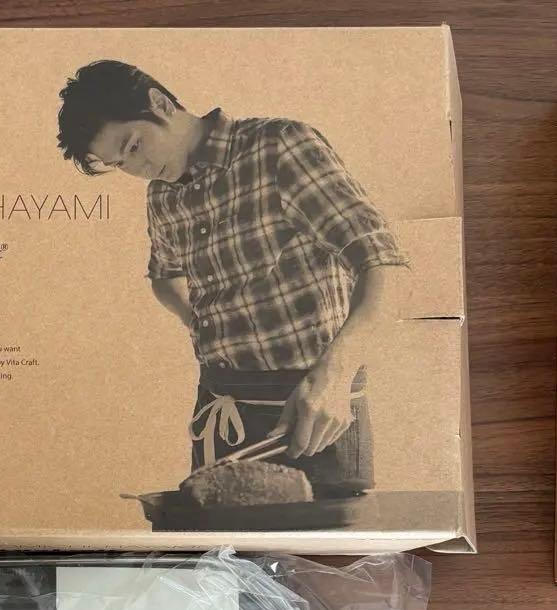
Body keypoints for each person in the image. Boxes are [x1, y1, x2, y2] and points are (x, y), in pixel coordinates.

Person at [57, 60, 409, 495]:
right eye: (120, 162)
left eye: (133, 145)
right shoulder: (162, 196)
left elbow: (385, 265)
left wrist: (335, 378)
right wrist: (200, 323)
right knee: (210, 539)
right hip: (221, 409)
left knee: (321, 537)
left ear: (160, 103)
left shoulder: (279, 146)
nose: (138, 168)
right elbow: (165, 276)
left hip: (313, 406)